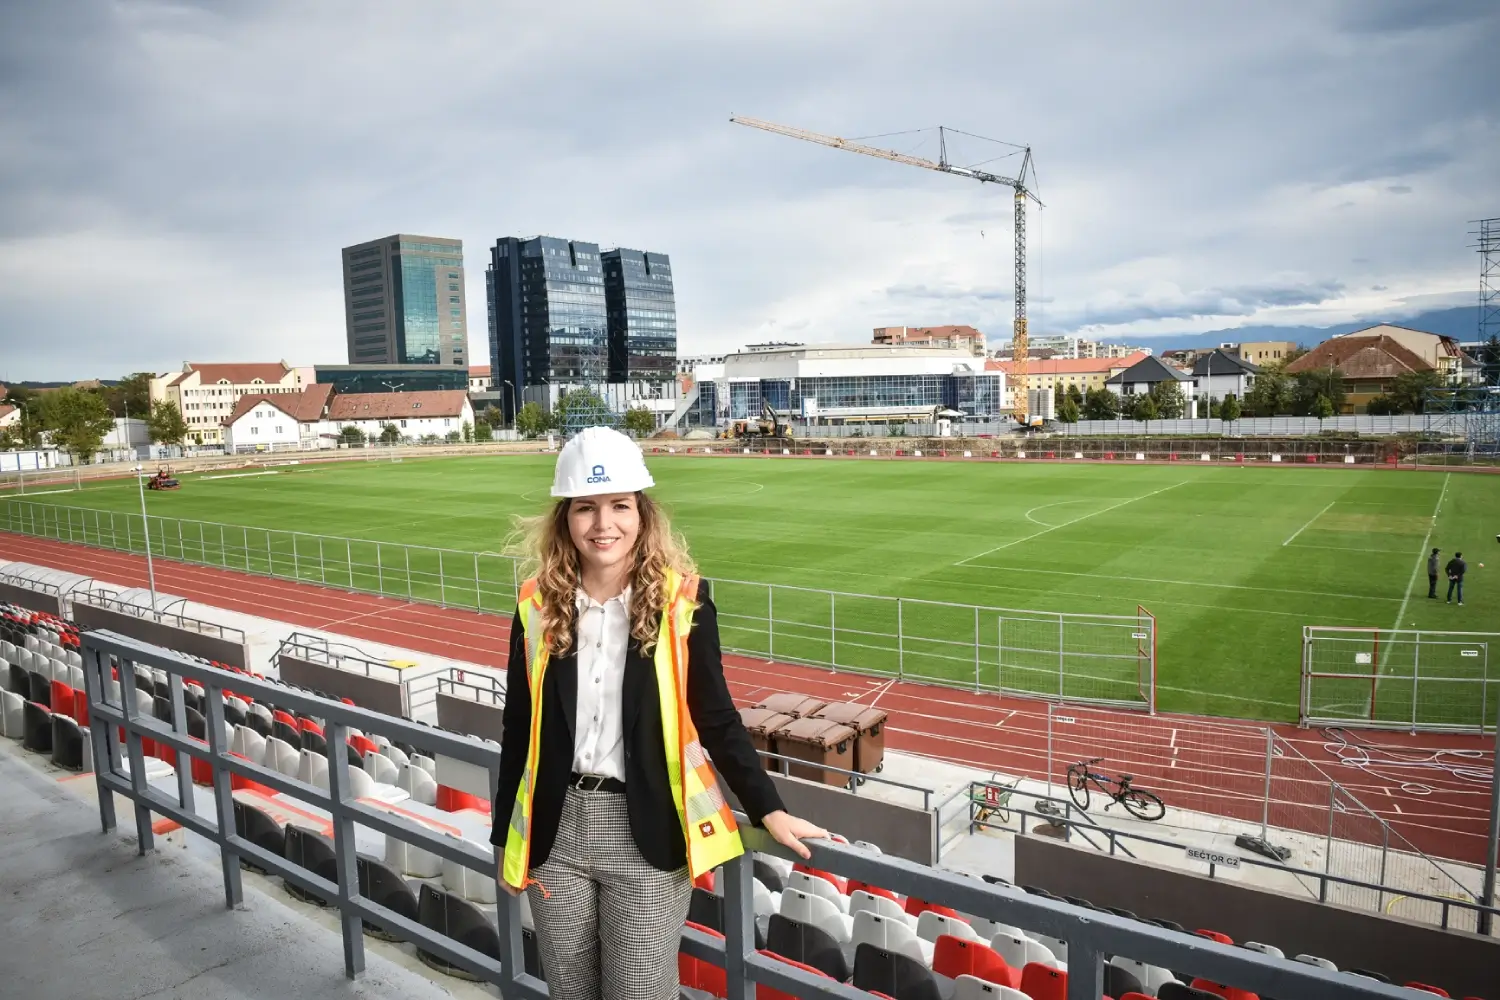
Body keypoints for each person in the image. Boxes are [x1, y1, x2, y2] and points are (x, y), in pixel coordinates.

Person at [492, 426, 826, 1000]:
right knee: (569, 992)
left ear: (643, 513)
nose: (603, 524)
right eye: (586, 507)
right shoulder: (536, 606)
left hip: (647, 831)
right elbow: (518, 727)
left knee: (641, 992)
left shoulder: (684, 605)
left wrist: (768, 809)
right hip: (555, 832)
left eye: (620, 505)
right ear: (565, 518)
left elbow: (717, 719)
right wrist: (505, 834)